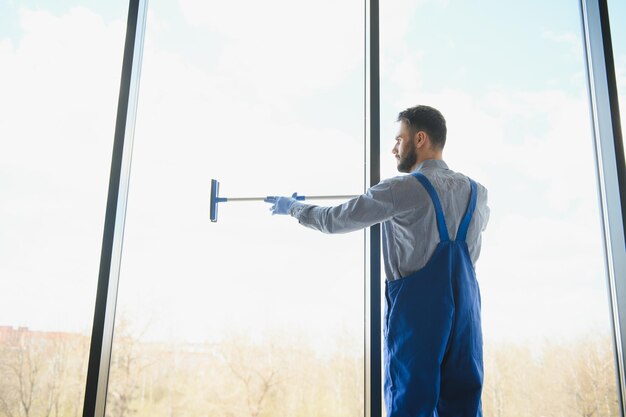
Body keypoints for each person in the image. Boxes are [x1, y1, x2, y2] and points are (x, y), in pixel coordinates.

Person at [265, 105, 489, 417]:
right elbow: (471, 253)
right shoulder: (478, 192)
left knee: (409, 402)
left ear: (420, 139)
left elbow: (336, 219)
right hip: (466, 312)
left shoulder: (402, 188)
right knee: (464, 404)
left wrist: (293, 208)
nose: (394, 147)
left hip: (418, 313)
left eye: (400, 139)